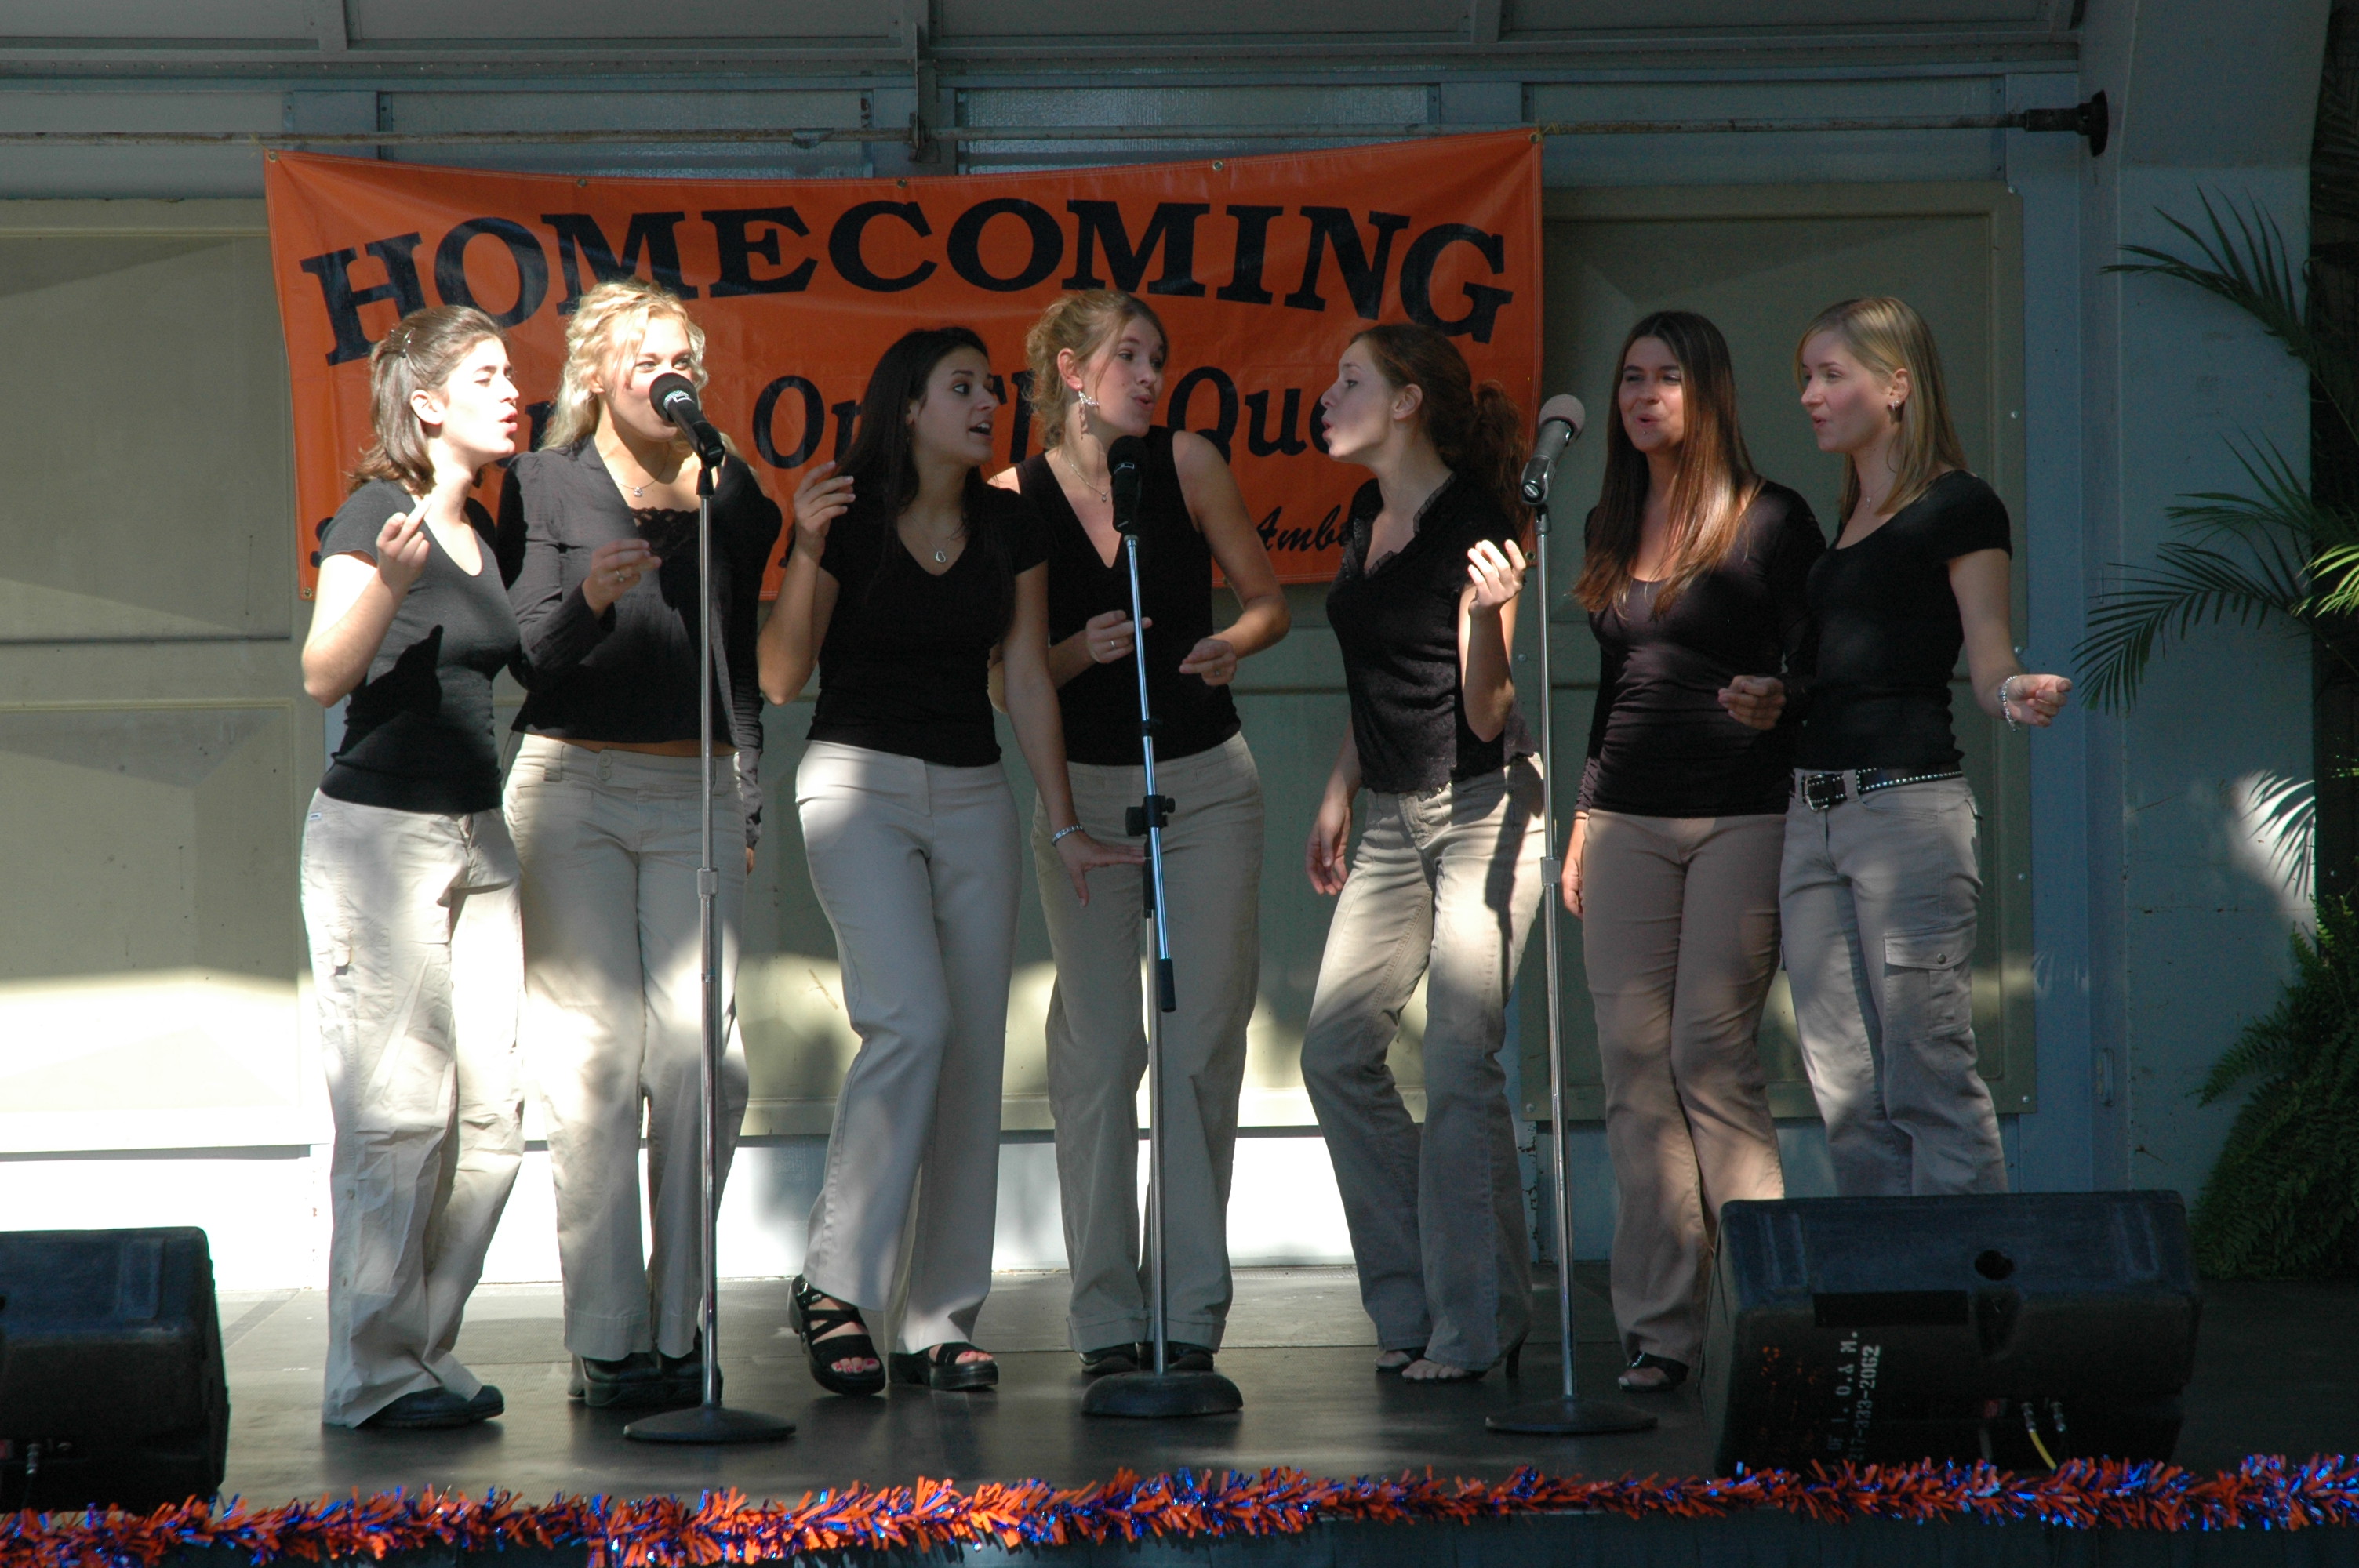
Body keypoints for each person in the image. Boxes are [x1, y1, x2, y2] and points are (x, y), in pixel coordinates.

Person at [758, 326, 1136, 1397]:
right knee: (911, 1020)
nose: (985, 404)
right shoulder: (846, 513)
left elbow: (1025, 676)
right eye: (960, 386)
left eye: (990, 388)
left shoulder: (1010, 523)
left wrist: (1061, 821)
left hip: (973, 793)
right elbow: (780, 677)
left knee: (971, 1051)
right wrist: (804, 547)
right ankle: (835, 1284)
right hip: (857, 785)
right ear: (909, 406)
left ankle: (938, 1318)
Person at [991, 290, 1290, 1377]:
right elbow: (1009, 677)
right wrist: (1082, 650)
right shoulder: (1012, 498)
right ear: (1071, 371)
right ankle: (1107, 1318)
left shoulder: (1187, 462)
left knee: (1201, 1040)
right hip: (1082, 790)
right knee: (1101, 1047)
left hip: (1203, 778)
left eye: (1159, 357)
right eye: (1129, 356)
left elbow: (1266, 602)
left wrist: (1232, 644)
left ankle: (1190, 1311)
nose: (1152, 375)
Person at [500, 278, 781, 1410]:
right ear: (598, 373)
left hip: (695, 789)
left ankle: (682, 1323)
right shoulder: (546, 479)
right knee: (595, 1060)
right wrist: (592, 603)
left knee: (703, 1061)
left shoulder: (726, 482)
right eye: (649, 355)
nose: (673, 372)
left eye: (685, 358)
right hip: (573, 783)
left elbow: (737, 656)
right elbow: (527, 649)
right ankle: (609, 1337)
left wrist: (747, 789)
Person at [1562, 311, 1823, 1394]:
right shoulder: (1609, 517)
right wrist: (1583, 816)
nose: (1643, 395)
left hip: (1740, 812)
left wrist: (1783, 698)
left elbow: (1823, 663)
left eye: (1667, 377)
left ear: (1708, 391)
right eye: (1631, 377)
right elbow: (1614, 685)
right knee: (1633, 1068)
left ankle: (1773, 1317)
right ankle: (1660, 1334)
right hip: (1625, 814)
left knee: (1709, 1057)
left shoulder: (1773, 520)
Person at [1776, 296, 2069, 1196]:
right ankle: (1890, 1275)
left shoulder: (1958, 505)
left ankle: (1968, 1272)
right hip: (1812, 812)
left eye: (1831, 375)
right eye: (1805, 377)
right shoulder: (1848, 512)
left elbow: (1987, 657)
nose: (1809, 395)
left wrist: (2012, 692)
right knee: (1845, 1086)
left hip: (1902, 809)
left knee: (1926, 1069)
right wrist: (1774, 694)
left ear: (1895, 385)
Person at [1299, 321, 1544, 1383]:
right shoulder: (1367, 515)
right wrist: (1339, 787)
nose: (1327, 395)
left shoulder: (1475, 524)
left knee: (1455, 1062)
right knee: (1334, 1051)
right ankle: (1412, 1306)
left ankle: (1477, 1323)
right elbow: (1382, 681)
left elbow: (1484, 712)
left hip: (1483, 807)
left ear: (1405, 403)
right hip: (1394, 813)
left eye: (1349, 380)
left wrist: (1490, 616)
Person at [298, 304, 524, 1430]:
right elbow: (321, 673)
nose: (512, 390)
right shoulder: (376, 513)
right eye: (487, 375)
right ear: (428, 403)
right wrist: (385, 585)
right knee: (398, 1115)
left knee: (493, 1121)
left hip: (480, 836)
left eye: (511, 372)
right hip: (380, 838)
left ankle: (423, 1348)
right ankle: (371, 1376)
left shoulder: (486, 528)